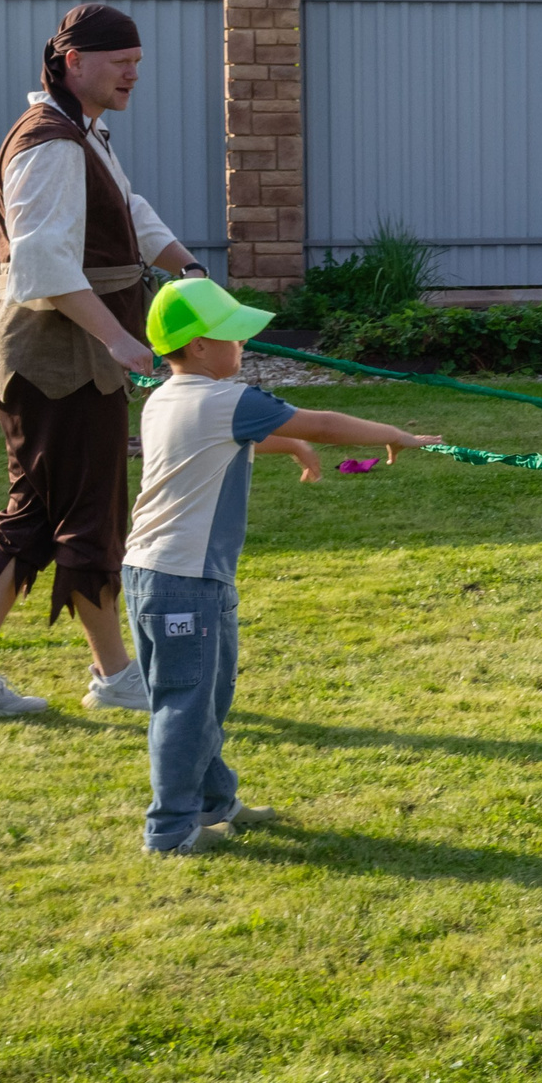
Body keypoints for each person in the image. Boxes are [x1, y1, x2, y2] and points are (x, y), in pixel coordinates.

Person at [0, 3, 208, 720]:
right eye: (121, 64)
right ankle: (116, 678)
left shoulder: (79, 130)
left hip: (67, 355)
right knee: (87, 515)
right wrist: (116, 340)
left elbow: (124, 206)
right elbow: (42, 263)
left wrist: (186, 268)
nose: (133, 75)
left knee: (37, 513)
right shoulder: (49, 142)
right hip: (56, 357)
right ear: (74, 62)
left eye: (137, 63)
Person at [125, 278, 442, 855]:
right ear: (198, 346)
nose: (243, 347)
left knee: (207, 696)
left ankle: (215, 802)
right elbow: (319, 422)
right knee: (186, 702)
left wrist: (288, 446)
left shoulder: (167, 398)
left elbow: (215, 444)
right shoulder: (227, 399)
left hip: (169, 577)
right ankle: (170, 831)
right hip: (183, 580)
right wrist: (393, 434)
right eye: (235, 337)